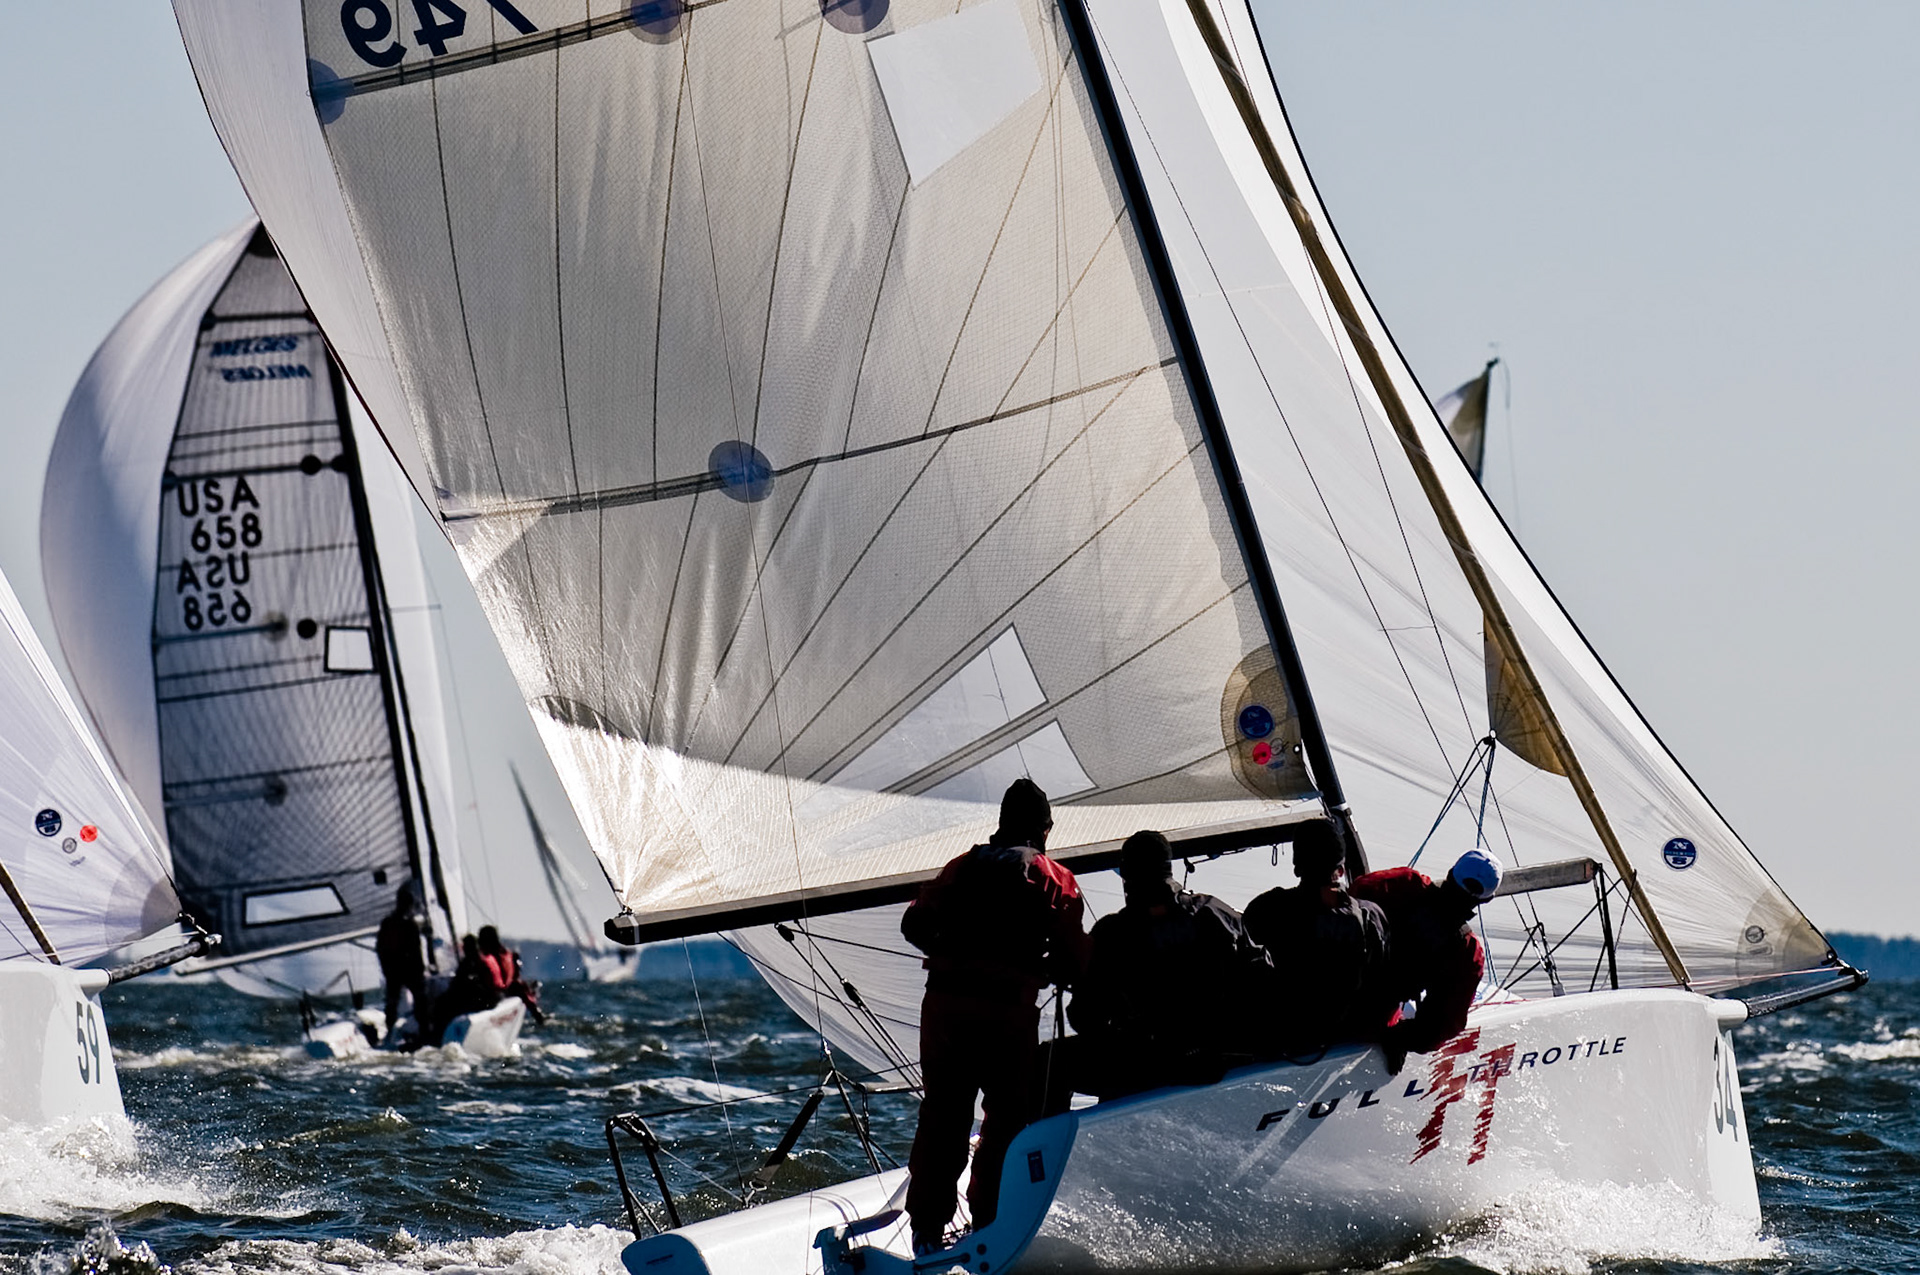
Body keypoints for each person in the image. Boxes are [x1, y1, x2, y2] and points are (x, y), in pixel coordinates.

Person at [900, 778, 1088, 1253]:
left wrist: (954, 953)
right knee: (1006, 1120)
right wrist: (1041, 969)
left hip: (945, 1010)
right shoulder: (1053, 878)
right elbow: (1075, 961)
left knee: (943, 1115)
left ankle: (926, 1229)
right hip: (1006, 1016)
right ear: (1044, 829)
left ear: (1001, 824)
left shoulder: (960, 868)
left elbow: (913, 924)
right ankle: (988, 1223)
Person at [1067, 831, 1270, 1098]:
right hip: (1223, 1064)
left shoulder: (1110, 934)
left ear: (1126, 876)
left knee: (1049, 1059)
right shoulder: (1216, 913)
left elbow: (1084, 1017)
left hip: (1145, 1072)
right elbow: (1264, 981)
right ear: (1168, 868)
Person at [1242, 822, 1393, 1054]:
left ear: (1297, 867)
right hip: (1350, 1042)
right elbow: (1383, 985)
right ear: (1341, 870)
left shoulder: (1265, 910)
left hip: (1286, 1044)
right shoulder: (1370, 916)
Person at [1350, 848, 1502, 1073]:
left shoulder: (1402, 883)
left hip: (1312, 994)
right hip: (1367, 1024)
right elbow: (1442, 1025)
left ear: (1451, 873)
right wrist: (1398, 1039)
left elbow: (1354, 892)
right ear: (1487, 899)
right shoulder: (1466, 952)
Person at [374, 885, 427, 1044]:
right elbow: (416, 951)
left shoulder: (388, 922)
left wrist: (386, 969)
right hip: (407, 970)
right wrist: (421, 971)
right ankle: (424, 1030)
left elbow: (380, 948)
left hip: (393, 970)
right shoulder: (410, 925)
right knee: (419, 1000)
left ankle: (389, 1033)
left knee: (392, 1002)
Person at [478, 925, 547, 1025]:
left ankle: (537, 1014)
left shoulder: (496, 957)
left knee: (518, 987)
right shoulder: (506, 955)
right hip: (499, 992)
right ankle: (538, 1014)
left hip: (499, 993)